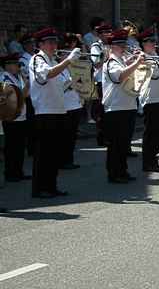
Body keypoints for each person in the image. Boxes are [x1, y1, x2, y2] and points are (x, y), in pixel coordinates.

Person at [28, 27, 81, 198]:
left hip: (58, 110)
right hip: (45, 111)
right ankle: (39, 188)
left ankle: (51, 185)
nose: (53, 45)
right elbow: (48, 75)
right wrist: (68, 61)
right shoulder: (37, 59)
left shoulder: (51, 60)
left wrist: (73, 82)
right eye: (49, 42)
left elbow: (58, 84)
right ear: (41, 44)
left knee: (54, 153)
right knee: (43, 153)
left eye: (54, 42)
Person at [102, 29, 144, 183]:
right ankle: (114, 173)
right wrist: (137, 62)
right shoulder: (111, 62)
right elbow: (119, 76)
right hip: (115, 108)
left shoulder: (121, 61)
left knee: (124, 142)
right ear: (112, 46)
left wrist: (133, 61)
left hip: (127, 106)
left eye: (124, 44)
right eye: (120, 45)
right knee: (116, 144)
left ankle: (123, 170)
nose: (124, 47)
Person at [137, 28, 159, 173]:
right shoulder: (140, 57)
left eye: (153, 41)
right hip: (150, 98)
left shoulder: (155, 55)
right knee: (150, 131)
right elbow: (150, 76)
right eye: (149, 42)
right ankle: (147, 162)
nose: (153, 44)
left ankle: (154, 160)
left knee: (158, 132)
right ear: (143, 44)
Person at [1, 54, 30, 182]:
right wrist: (28, 86)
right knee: (11, 147)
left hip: (21, 116)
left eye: (18, 64)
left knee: (20, 146)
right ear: (7, 66)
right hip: (11, 117)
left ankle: (19, 171)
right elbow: (17, 97)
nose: (17, 67)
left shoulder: (18, 77)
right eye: (15, 64)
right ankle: (11, 173)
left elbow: (26, 95)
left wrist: (26, 82)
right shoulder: (4, 78)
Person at [59, 34, 84, 170]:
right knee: (65, 136)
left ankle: (69, 160)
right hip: (65, 106)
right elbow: (60, 88)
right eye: (64, 55)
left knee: (72, 136)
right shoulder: (59, 71)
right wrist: (71, 83)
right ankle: (63, 160)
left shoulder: (69, 71)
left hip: (74, 104)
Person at [90, 23, 113, 146]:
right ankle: (101, 137)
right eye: (106, 32)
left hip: (111, 81)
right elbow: (96, 64)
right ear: (100, 34)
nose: (109, 34)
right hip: (101, 81)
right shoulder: (96, 46)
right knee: (101, 111)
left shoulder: (112, 45)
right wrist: (107, 56)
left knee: (110, 110)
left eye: (110, 32)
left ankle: (109, 135)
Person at [18, 33, 36, 156]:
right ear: (25, 46)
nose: (32, 46)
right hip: (29, 94)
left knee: (36, 122)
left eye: (33, 43)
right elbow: (26, 76)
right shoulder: (22, 60)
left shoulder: (35, 57)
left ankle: (35, 146)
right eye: (30, 44)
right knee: (31, 123)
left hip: (37, 93)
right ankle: (31, 148)